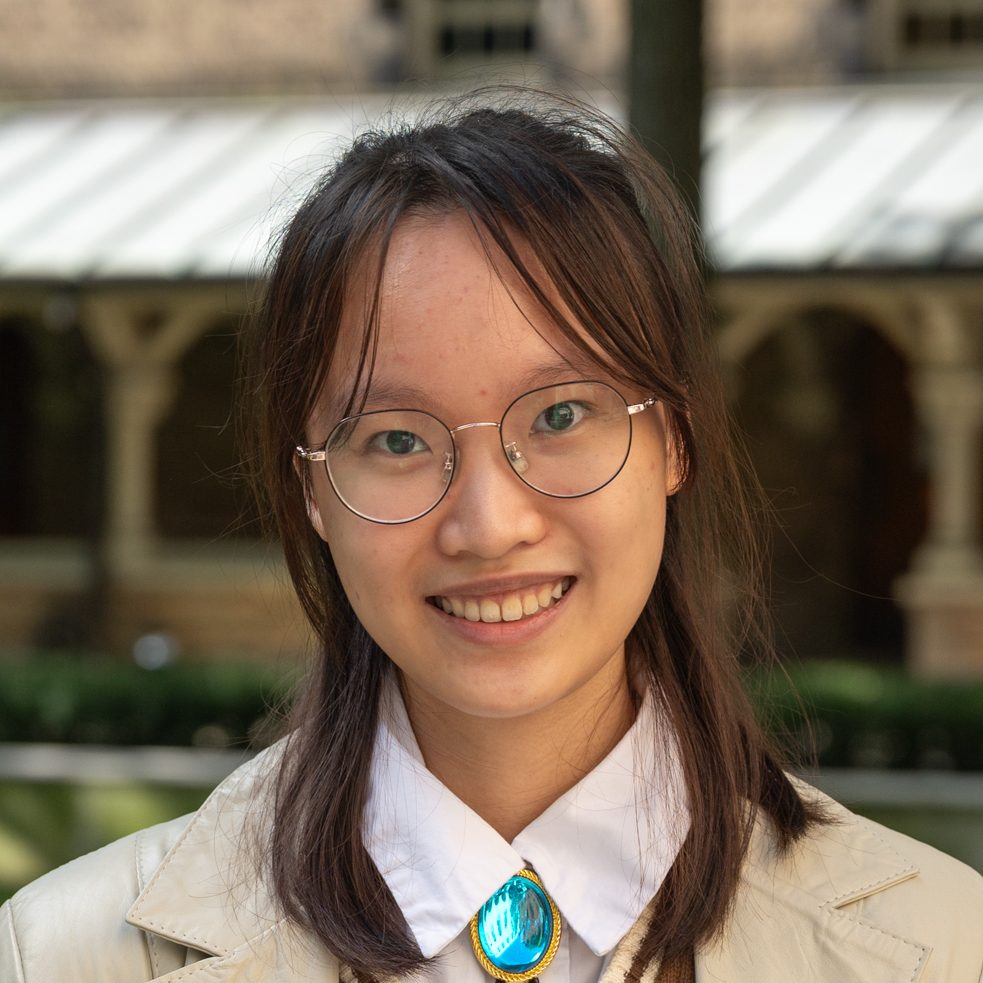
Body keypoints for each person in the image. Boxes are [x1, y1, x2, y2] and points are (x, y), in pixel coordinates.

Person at [2, 90, 981, 983]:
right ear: (310, 489)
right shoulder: (64, 954)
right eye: (393, 437)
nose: (488, 523)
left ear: (673, 437)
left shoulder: (940, 946)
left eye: (559, 415)